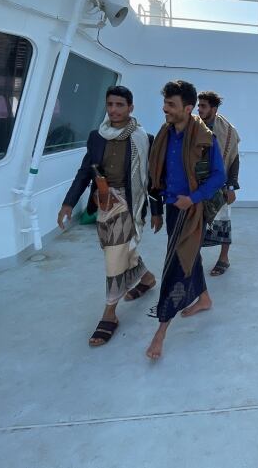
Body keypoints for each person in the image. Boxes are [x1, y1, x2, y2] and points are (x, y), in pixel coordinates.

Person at [57, 85, 156, 347]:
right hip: (104, 203)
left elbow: (155, 180)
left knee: (115, 255)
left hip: (130, 204)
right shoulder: (96, 136)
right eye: (110, 104)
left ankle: (109, 314)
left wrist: (158, 209)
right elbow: (85, 171)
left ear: (130, 108)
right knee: (121, 249)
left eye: (119, 105)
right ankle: (146, 278)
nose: (113, 110)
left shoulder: (144, 139)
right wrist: (68, 203)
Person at [145, 80, 226, 360]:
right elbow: (156, 176)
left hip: (191, 211)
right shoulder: (164, 135)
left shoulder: (205, 139)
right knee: (190, 256)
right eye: (165, 102)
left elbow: (219, 176)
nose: (164, 108)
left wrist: (193, 198)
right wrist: (156, 211)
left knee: (176, 266)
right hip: (171, 208)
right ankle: (204, 298)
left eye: (171, 104)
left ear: (187, 108)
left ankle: (161, 331)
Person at [197, 91, 241, 276]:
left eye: (203, 106)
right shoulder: (192, 125)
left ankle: (224, 259)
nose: (199, 109)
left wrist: (231, 186)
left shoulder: (228, 130)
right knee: (195, 223)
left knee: (223, 222)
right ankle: (193, 259)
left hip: (220, 184)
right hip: (197, 185)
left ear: (213, 109)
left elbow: (234, 159)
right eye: (199, 105)